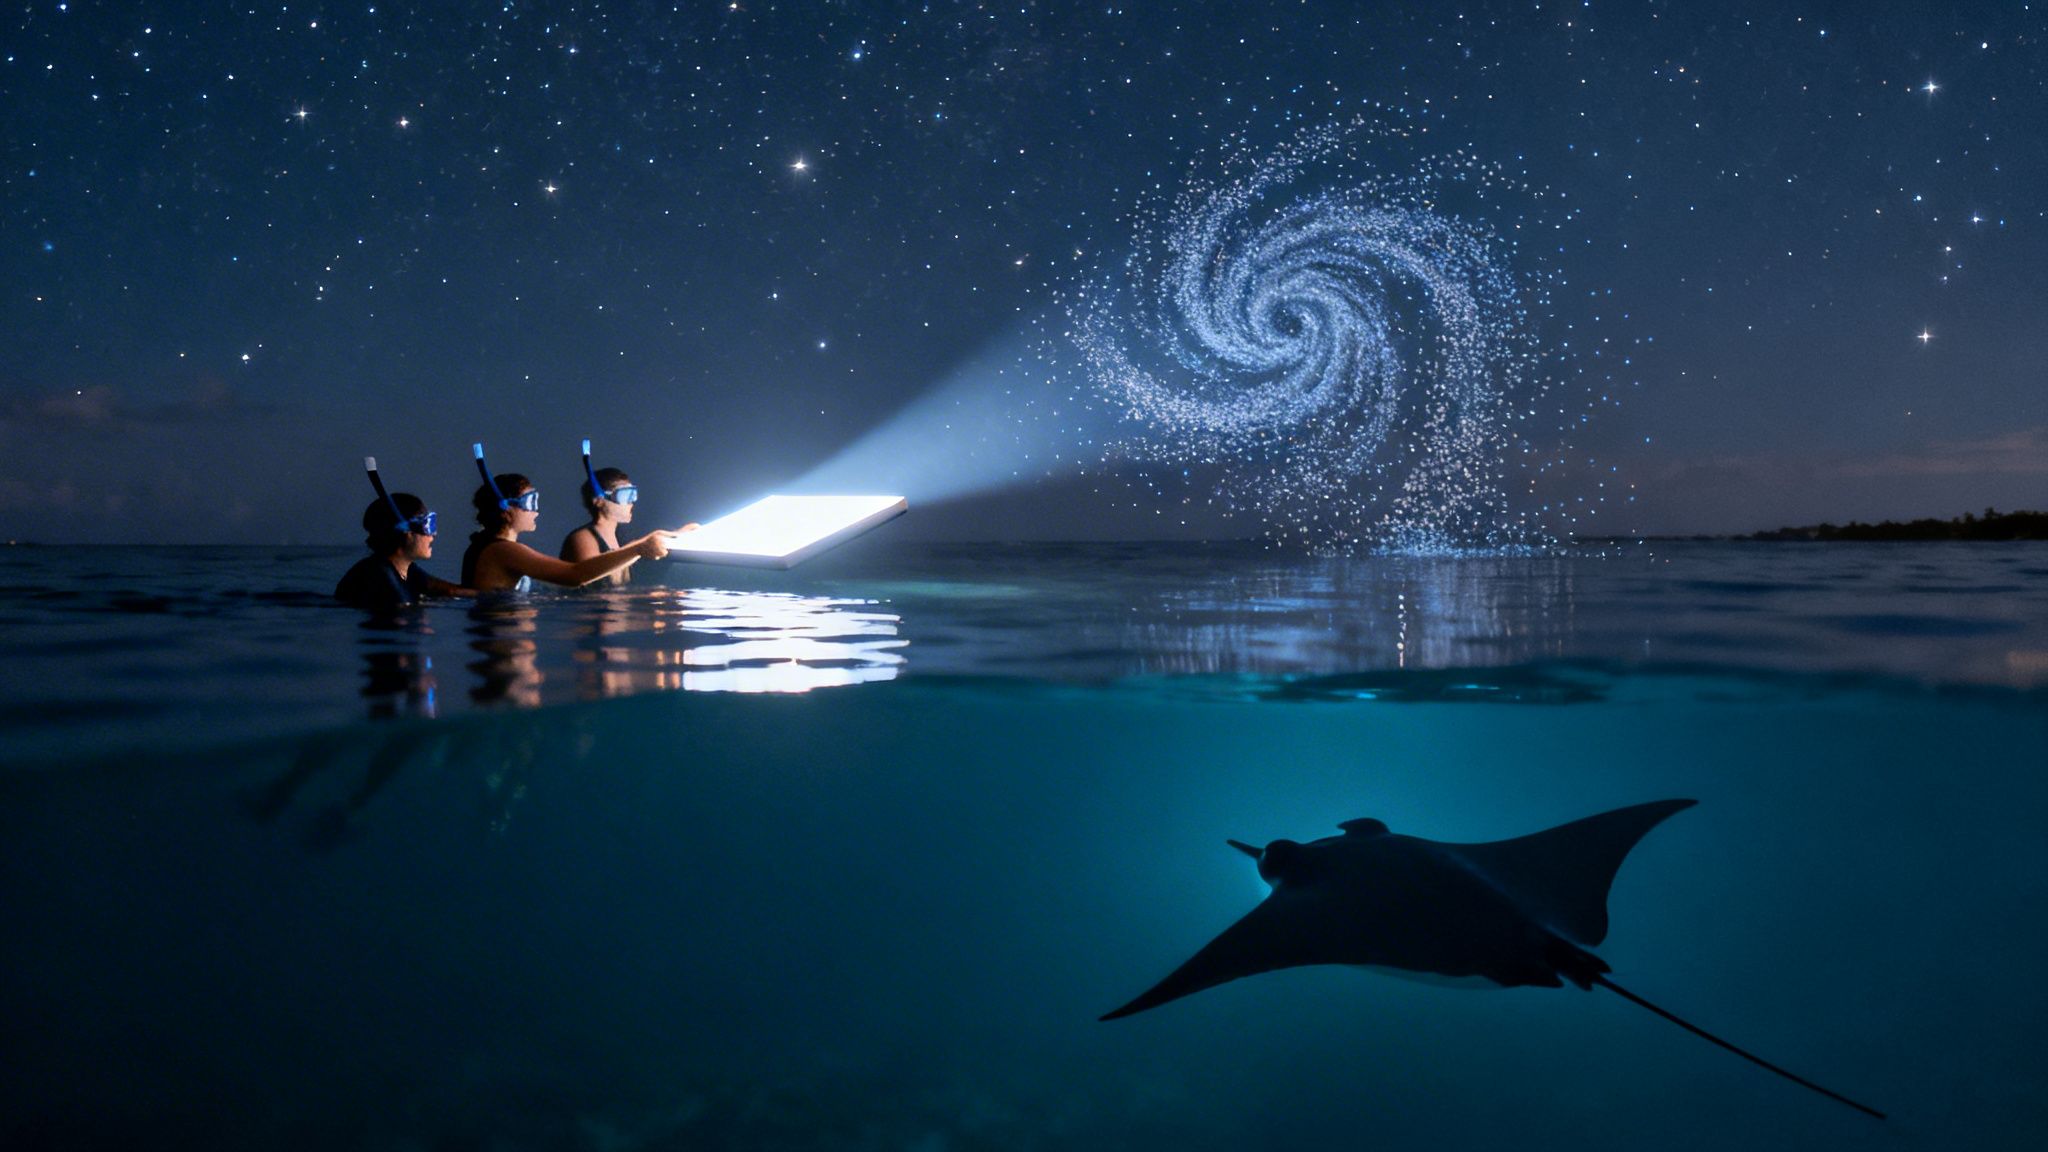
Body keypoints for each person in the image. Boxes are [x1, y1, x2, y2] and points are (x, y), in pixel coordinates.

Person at [461, 443, 670, 593]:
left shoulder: (494, 547)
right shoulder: (503, 550)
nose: (536, 511)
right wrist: (638, 549)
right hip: (502, 649)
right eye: (530, 502)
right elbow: (574, 575)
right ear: (506, 510)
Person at [558, 439, 699, 586]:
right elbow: (584, 575)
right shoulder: (582, 538)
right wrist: (638, 549)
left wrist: (673, 536)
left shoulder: (617, 538)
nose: (632, 502)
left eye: (633, 494)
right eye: (625, 495)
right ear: (598, 500)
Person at [335, 461, 471, 611]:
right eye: (428, 525)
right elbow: (400, 610)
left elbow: (452, 592)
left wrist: (495, 595)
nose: (434, 534)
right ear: (406, 531)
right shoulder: (380, 576)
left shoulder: (407, 570)